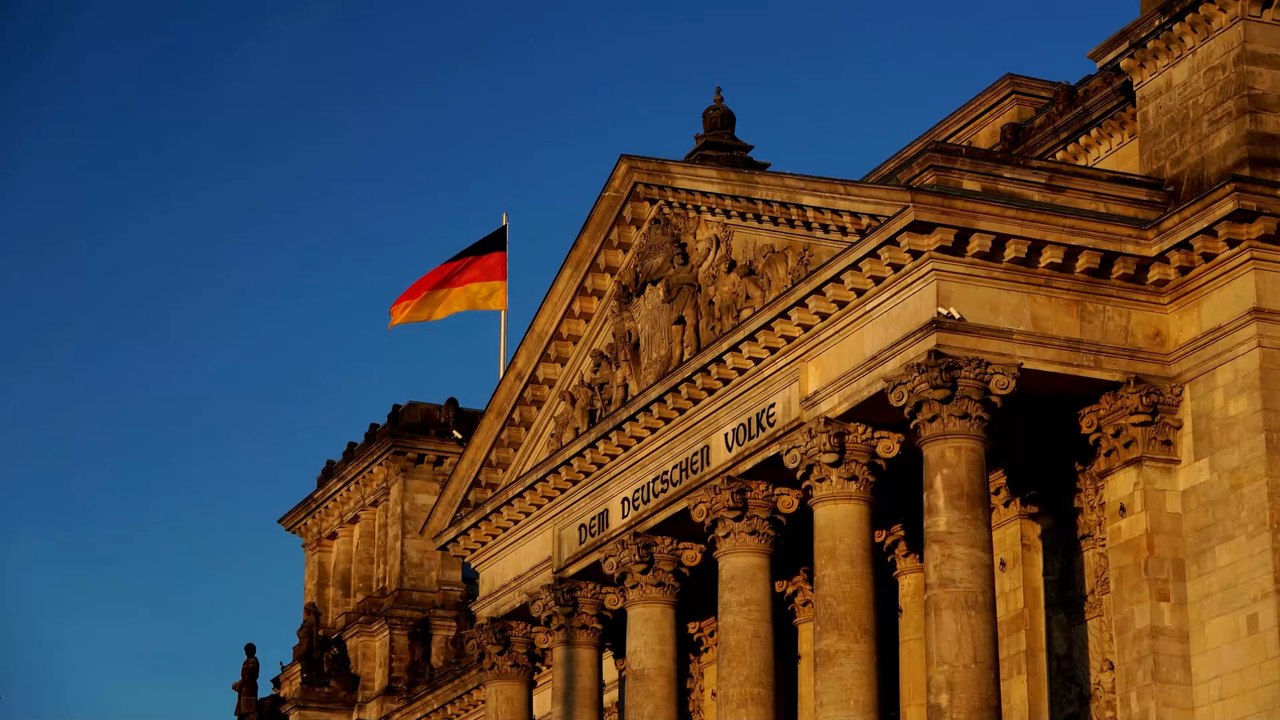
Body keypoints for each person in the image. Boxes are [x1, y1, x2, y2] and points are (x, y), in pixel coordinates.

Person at [232, 643, 259, 719]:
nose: (246, 652)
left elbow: (249, 675)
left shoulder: (253, 661)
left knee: (248, 709)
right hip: (245, 688)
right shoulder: (246, 662)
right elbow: (245, 676)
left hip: (249, 687)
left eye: (247, 650)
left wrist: (239, 684)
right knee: (243, 709)